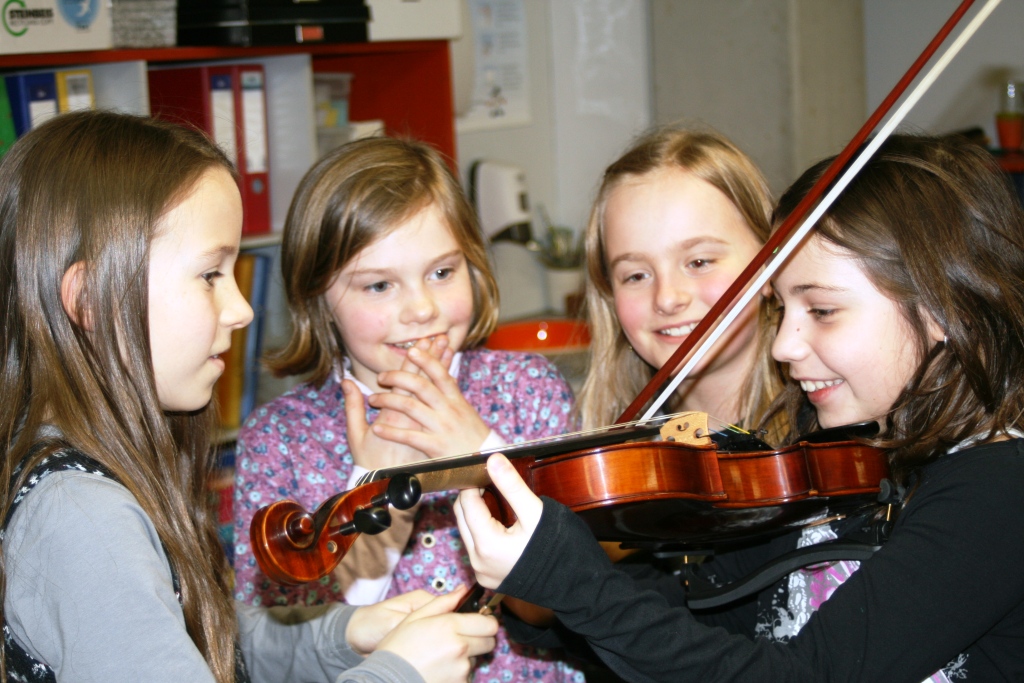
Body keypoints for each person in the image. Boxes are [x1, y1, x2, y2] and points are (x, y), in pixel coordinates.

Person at [454, 133, 1024, 681]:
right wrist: (551, 591)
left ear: (946, 313)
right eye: (784, 306)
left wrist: (578, 587)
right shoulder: (852, 465)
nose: (784, 344)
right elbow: (702, 615)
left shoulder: (998, 488)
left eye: (821, 311)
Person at [0, 110, 497, 683]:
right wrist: (400, 673)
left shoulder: (77, 475)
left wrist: (342, 635)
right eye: (210, 275)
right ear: (90, 301)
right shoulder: (83, 517)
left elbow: (200, 639)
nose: (242, 310)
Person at [232, 137, 581, 683]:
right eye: (378, 285)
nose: (422, 309)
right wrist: (378, 490)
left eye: (443, 273)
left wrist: (482, 453)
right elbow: (278, 649)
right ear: (317, 297)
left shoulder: (530, 390)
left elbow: (568, 597)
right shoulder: (277, 438)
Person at [577, 124, 785, 441]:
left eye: (699, 262)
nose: (667, 298)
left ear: (769, 265)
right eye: (636, 275)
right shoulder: (619, 450)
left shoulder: (819, 429)